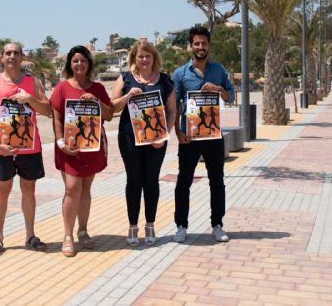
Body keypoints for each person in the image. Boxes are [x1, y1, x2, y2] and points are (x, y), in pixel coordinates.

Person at [0, 42, 51, 256]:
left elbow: (48, 110)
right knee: (3, 191)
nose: (12, 56)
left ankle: (30, 235)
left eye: (16, 53)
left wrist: (30, 99)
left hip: (30, 147)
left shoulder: (34, 82)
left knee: (29, 190)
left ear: (22, 58)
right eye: (8, 53)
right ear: (2, 58)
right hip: (3, 147)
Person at [172, 26, 235, 243]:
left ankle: (217, 224)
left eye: (204, 43)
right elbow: (174, 107)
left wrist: (219, 89)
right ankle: (181, 225)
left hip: (213, 136)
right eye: (197, 43)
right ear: (191, 46)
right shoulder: (180, 74)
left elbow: (230, 97)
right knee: (183, 182)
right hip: (189, 137)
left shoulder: (219, 70)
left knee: (217, 182)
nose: (200, 47)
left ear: (209, 46)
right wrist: (178, 132)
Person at [111, 40, 176, 247]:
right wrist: (128, 95)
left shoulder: (165, 80)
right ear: (134, 59)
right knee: (133, 181)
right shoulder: (126, 78)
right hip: (130, 137)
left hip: (156, 139)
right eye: (140, 56)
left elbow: (173, 111)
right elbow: (113, 107)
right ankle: (132, 226)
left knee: (151, 181)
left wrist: (165, 134)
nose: (144, 60)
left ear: (154, 58)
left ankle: (150, 224)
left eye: (148, 56)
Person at [50, 45, 113, 257]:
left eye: (83, 61)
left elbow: (109, 114)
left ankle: (83, 231)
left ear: (89, 64)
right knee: (71, 188)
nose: (79, 64)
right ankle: (67, 235)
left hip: (91, 147)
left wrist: (96, 101)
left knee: (85, 189)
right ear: (70, 64)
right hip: (68, 149)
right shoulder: (61, 88)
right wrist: (60, 143)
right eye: (75, 60)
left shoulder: (98, 89)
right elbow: (57, 117)